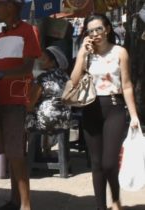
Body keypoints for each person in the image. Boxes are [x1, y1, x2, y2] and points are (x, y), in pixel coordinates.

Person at [0, 0, 41, 209]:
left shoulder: (29, 31)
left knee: (16, 154)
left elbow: (28, 66)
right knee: (9, 154)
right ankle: (15, 200)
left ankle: (25, 205)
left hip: (16, 99)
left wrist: (0, 74)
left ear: (11, 7)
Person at [70, 14, 139, 210]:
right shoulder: (87, 54)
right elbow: (74, 81)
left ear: (107, 28)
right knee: (96, 163)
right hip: (90, 108)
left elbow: (126, 85)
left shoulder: (120, 52)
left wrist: (133, 115)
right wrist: (82, 53)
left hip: (114, 107)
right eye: (90, 31)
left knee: (109, 162)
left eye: (98, 29)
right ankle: (101, 206)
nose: (95, 34)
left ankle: (115, 199)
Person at [26, 46, 71, 158]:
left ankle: (30, 155)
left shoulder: (43, 78)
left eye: (44, 59)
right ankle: (46, 149)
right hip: (64, 119)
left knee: (24, 117)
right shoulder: (65, 76)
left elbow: (31, 102)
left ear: (53, 62)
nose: (40, 61)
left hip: (48, 121)